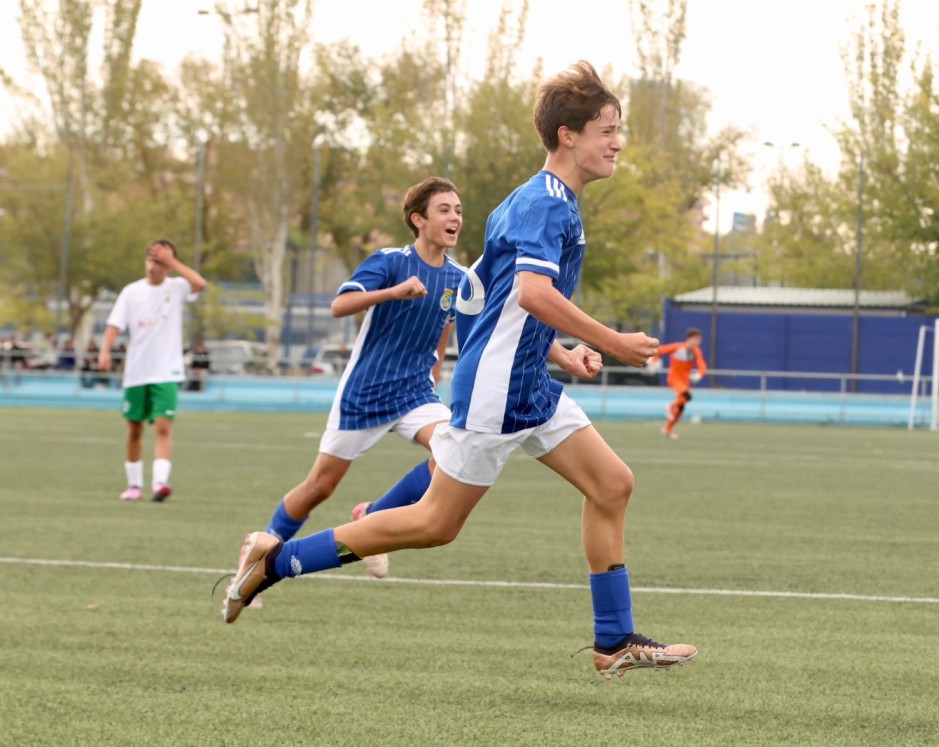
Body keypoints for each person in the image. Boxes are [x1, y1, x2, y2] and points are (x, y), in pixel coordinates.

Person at [220, 61, 697, 680]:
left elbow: (484, 299)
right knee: (435, 525)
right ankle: (274, 562)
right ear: (567, 136)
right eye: (607, 129)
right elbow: (529, 295)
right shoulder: (544, 206)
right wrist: (611, 341)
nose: (618, 141)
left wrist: (559, 352)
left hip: (530, 384)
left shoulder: (545, 204)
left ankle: (614, 640)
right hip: (498, 394)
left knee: (613, 484)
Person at [257, 176, 466, 583]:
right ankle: (262, 553)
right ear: (418, 219)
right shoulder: (390, 262)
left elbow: (443, 333)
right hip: (366, 394)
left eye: (458, 210)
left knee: (453, 452)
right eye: (445, 209)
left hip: (415, 394)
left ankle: (374, 518)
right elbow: (340, 305)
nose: (454, 217)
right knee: (320, 486)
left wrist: (436, 375)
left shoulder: (458, 279)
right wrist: (393, 292)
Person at [99, 239, 207, 501]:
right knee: (134, 428)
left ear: (168, 266)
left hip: (166, 371)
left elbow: (200, 284)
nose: (153, 266)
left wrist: (172, 261)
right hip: (136, 371)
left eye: (159, 262)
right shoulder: (131, 292)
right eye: (151, 259)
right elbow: (114, 324)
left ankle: (160, 483)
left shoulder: (178, 287)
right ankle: (134, 485)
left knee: (162, 426)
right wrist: (105, 351)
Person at [653, 327, 707, 439]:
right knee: (687, 396)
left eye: (699, 340)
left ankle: (668, 429)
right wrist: (655, 361)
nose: (698, 342)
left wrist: (699, 374)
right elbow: (660, 350)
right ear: (690, 339)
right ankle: (670, 406)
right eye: (696, 339)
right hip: (674, 378)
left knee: (681, 407)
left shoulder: (697, 352)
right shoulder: (677, 347)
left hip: (684, 381)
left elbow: (702, 366)